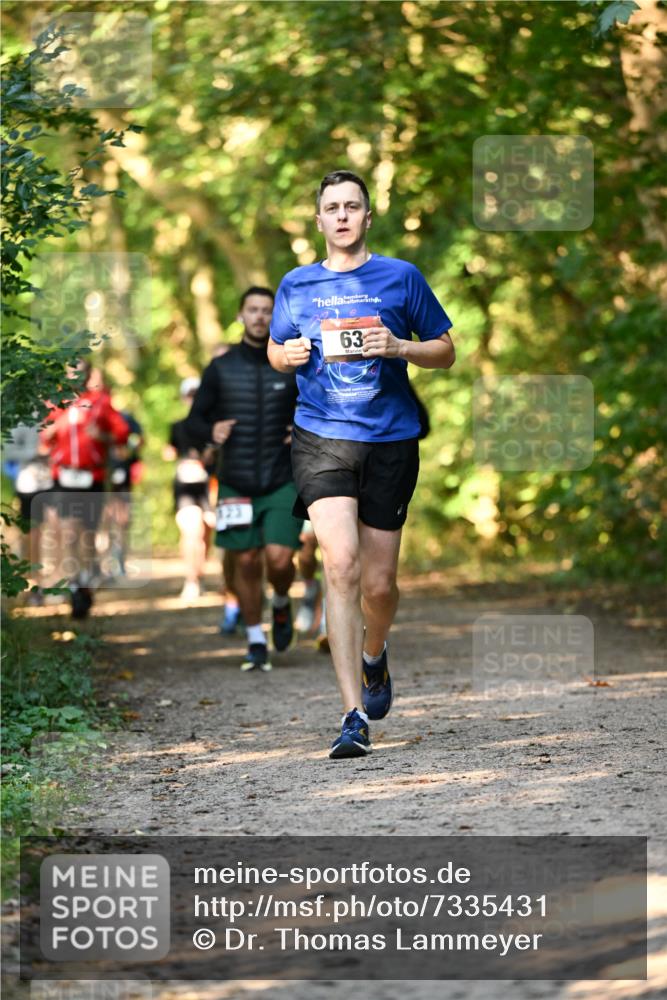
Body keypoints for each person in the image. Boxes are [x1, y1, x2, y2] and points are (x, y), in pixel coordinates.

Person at [268, 169, 455, 759]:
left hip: (391, 441)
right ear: (319, 220)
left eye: (353, 206)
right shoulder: (296, 285)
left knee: (379, 583)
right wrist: (286, 354)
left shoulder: (401, 277)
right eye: (332, 207)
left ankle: (375, 655)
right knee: (341, 564)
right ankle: (352, 715)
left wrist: (400, 347)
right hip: (321, 438)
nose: (343, 215)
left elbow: (446, 350)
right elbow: (277, 347)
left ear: (367, 217)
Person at [185, 287, 303, 672]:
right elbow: (193, 422)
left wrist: (300, 428)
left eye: (266, 310)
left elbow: (318, 407)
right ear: (240, 316)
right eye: (252, 309)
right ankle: (255, 640)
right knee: (247, 561)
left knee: (280, 559)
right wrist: (211, 431)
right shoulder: (221, 368)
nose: (259, 317)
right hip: (235, 481)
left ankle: (282, 601)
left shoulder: (292, 363)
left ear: (276, 316)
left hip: (282, 477)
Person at [40, 359, 129, 618]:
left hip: (92, 476)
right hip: (64, 475)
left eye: (80, 371)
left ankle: (87, 575)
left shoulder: (100, 401)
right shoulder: (57, 403)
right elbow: (43, 436)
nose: (75, 376)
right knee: (68, 531)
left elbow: (122, 434)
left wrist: (101, 436)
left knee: (88, 533)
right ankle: (76, 582)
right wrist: (59, 426)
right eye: (70, 371)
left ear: (88, 374)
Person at [164, 378, 216, 603]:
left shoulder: (213, 427)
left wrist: (210, 457)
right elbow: (170, 450)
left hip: (208, 487)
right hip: (185, 486)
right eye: (190, 395)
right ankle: (191, 580)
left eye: (197, 395)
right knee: (191, 531)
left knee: (204, 535)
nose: (193, 399)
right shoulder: (177, 426)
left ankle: (199, 576)